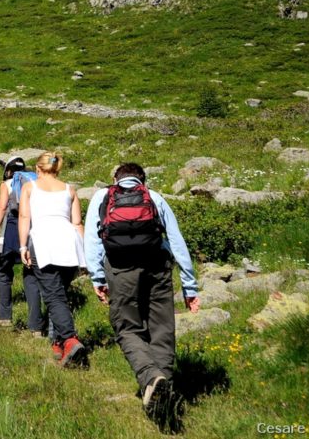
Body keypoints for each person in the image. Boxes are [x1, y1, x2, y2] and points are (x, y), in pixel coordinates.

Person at [84, 163, 200, 424]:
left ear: (116, 179)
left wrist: (97, 277)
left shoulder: (102, 198)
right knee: (162, 329)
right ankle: (164, 389)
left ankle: (150, 378)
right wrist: (190, 287)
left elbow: (92, 241)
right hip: (157, 267)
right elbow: (177, 242)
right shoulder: (155, 198)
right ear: (142, 181)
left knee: (127, 328)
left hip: (120, 270)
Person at [18, 151, 86, 367]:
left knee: (53, 296)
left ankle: (70, 339)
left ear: (38, 168)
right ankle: (58, 342)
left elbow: (24, 217)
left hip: (43, 242)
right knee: (60, 293)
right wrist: (84, 254)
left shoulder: (30, 187)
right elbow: (77, 223)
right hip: (69, 243)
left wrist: (22, 246)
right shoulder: (69, 189)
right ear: (57, 169)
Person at [0, 157, 45, 331]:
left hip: (12, 230)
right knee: (30, 274)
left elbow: (2, 208)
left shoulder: (7, 184)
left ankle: (5, 317)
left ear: (7, 171)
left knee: (3, 271)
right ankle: (36, 326)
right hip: (31, 230)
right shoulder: (34, 183)